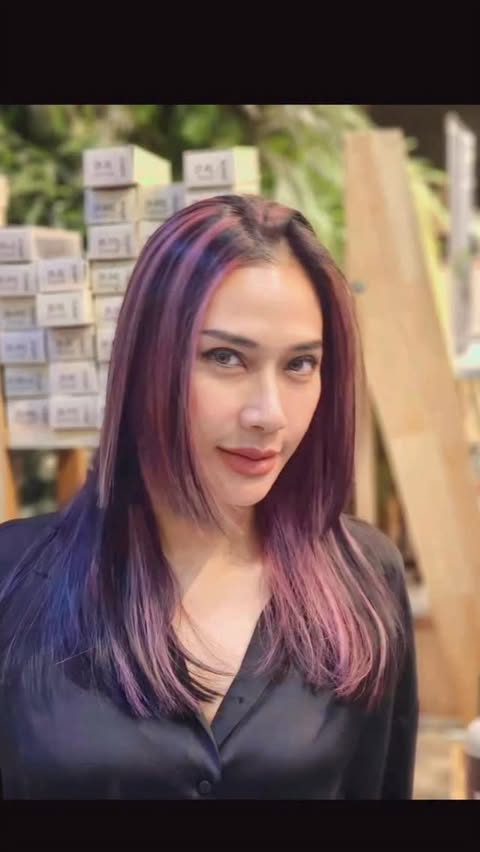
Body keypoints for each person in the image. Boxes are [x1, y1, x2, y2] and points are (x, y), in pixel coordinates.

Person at [0, 194, 418, 800]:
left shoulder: (365, 577)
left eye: (300, 364)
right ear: (148, 362)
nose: (268, 414)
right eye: (226, 358)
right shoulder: (16, 581)